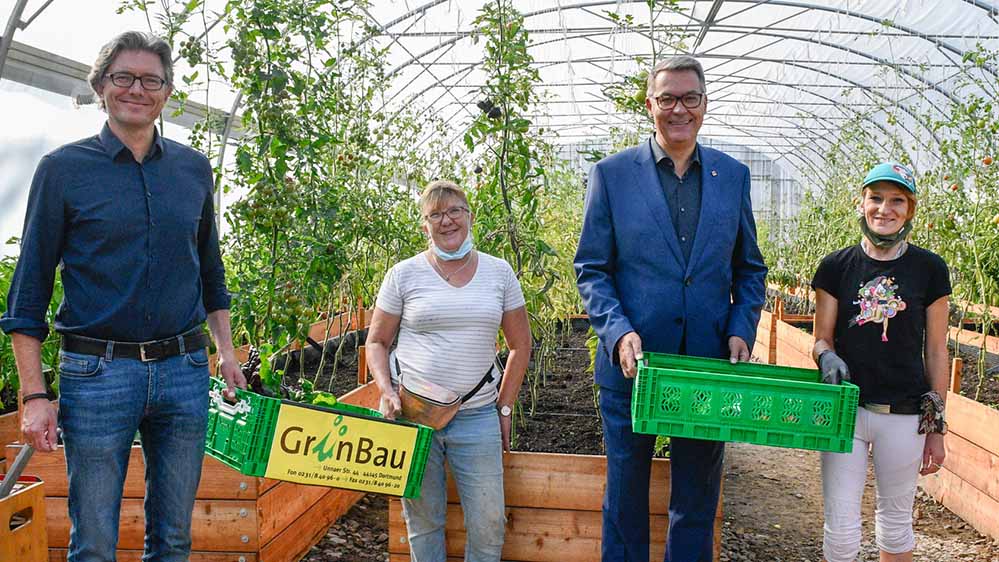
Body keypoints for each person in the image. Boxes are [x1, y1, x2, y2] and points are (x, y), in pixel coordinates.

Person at [0, 31, 246, 562]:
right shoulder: (63, 171)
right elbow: (29, 291)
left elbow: (210, 269)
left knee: (174, 539)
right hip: (97, 375)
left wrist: (225, 352)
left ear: (166, 92)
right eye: (124, 77)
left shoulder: (193, 169)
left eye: (151, 80)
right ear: (101, 87)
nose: (138, 89)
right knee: (93, 544)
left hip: (183, 372)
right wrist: (34, 395)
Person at [574, 55, 768, 562]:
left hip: (706, 366)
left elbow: (750, 269)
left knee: (697, 498)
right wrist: (617, 332)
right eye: (667, 99)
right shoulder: (612, 175)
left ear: (705, 104)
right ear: (649, 105)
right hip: (632, 366)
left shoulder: (733, 176)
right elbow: (592, 268)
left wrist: (741, 327)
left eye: (690, 98)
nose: (679, 109)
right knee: (625, 495)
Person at [365, 180, 532, 562]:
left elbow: (520, 345)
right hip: (415, 417)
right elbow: (376, 342)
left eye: (455, 210)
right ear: (424, 225)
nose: (447, 221)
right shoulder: (403, 275)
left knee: (489, 524)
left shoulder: (498, 272)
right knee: (423, 521)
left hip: (476, 417)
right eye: (435, 214)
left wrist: (505, 407)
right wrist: (388, 391)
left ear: (470, 216)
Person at [811, 162, 949, 562]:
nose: (884, 209)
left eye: (896, 201)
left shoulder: (929, 269)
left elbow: (937, 351)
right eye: (876, 198)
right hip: (845, 411)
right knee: (840, 525)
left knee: (895, 521)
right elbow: (821, 338)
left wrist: (935, 427)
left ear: (910, 210)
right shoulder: (836, 266)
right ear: (861, 202)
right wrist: (826, 355)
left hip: (904, 414)